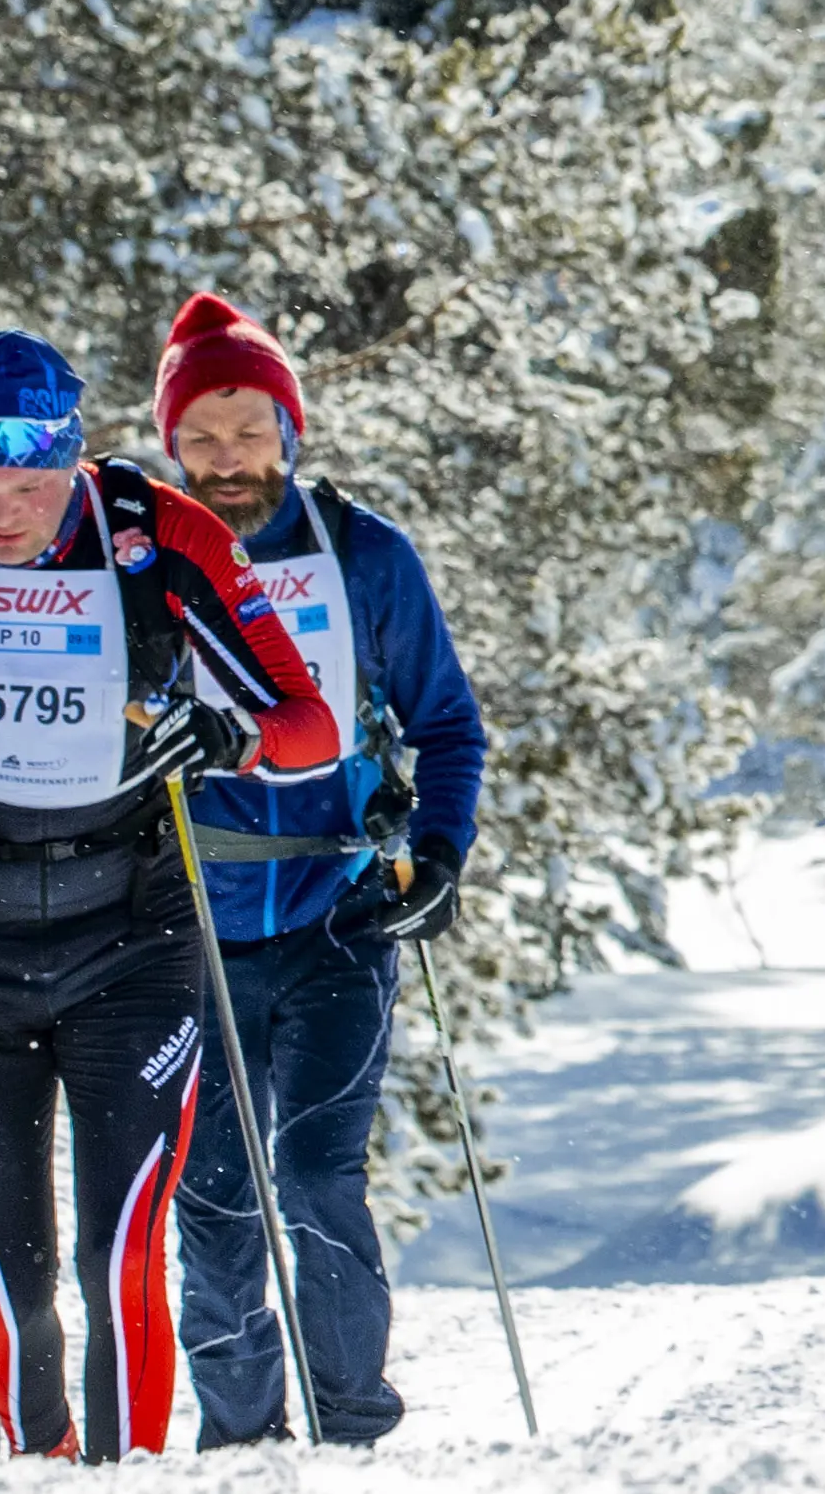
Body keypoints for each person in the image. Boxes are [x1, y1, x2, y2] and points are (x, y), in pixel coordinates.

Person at [0, 327, 340, 1462]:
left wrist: (231, 734)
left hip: (132, 935)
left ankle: (128, 1479)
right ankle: (38, 1469)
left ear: (76, 460)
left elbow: (309, 725)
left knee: (122, 1256)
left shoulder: (159, 537)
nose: (3, 513)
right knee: (7, 1273)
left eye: (32, 485)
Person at [152, 293, 491, 1447]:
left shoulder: (361, 555)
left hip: (338, 913)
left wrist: (438, 850)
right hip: (189, 920)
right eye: (200, 437)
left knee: (317, 1179)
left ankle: (352, 1427)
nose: (226, 459)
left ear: (288, 432)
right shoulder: (140, 560)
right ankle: (238, 1442)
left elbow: (446, 723)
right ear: (170, 446)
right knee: (212, 1198)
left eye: (248, 431)